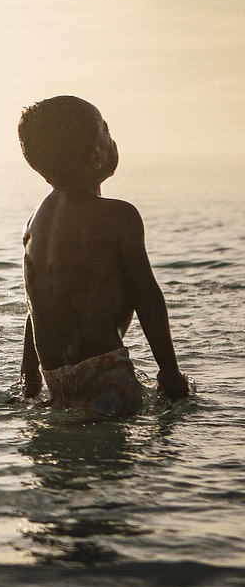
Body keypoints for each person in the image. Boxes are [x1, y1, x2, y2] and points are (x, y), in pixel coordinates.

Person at [17, 95, 190, 419]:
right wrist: (169, 370)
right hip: (105, 369)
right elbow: (146, 294)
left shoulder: (34, 223)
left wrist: (29, 377)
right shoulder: (119, 216)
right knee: (116, 465)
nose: (113, 139)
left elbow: (36, 302)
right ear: (97, 156)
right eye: (107, 132)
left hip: (56, 378)